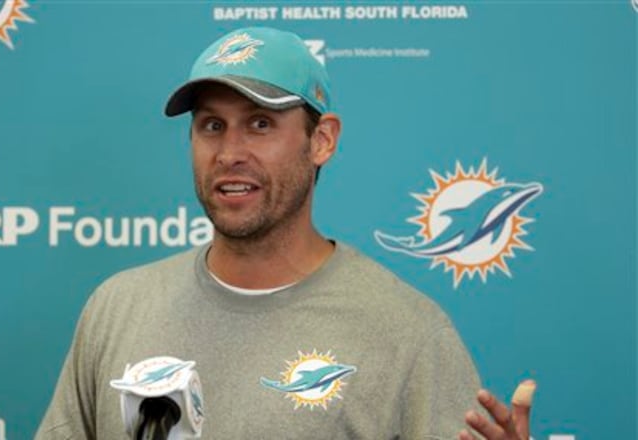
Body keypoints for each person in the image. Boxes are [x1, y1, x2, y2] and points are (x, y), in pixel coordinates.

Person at [35, 26, 534, 440]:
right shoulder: (117, 307)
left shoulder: (409, 335)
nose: (230, 151)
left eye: (259, 124)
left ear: (322, 140)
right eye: (212, 125)